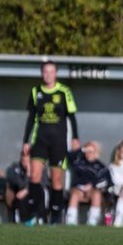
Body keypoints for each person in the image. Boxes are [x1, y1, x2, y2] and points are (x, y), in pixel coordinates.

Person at [21, 60, 79, 224]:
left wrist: (75, 137)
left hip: (59, 142)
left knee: (56, 180)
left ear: (56, 74)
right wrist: (25, 141)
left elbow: (72, 116)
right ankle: (34, 213)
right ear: (42, 74)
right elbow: (31, 118)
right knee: (34, 177)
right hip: (39, 140)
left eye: (51, 72)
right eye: (45, 72)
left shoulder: (64, 92)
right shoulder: (35, 92)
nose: (48, 75)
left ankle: (55, 215)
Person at [66, 141, 112, 226]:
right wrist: (80, 149)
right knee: (74, 194)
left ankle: (92, 222)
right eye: (86, 151)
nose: (88, 153)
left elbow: (106, 182)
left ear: (96, 152)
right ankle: (70, 221)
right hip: (78, 189)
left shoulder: (100, 167)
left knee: (96, 194)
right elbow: (66, 158)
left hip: (92, 190)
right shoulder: (78, 162)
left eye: (91, 151)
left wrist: (92, 186)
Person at [5, 153, 41, 224]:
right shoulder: (15, 168)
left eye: (28, 161)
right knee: (17, 195)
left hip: (34, 193)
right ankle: (17, 219)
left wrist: (27, 190)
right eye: (24, 160)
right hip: (19, 196)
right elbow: (19, 184)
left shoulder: (39, 168)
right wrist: (28, 175)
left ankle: (40, 218)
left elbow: (42, 183)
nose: (25, 163)